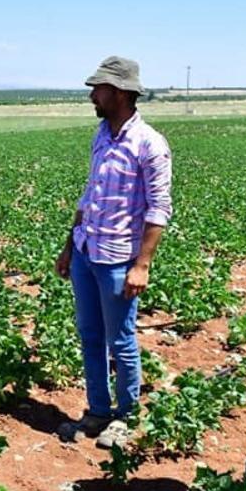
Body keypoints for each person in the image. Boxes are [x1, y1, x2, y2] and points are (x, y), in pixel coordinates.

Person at [55, 56, 172, 447]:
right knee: (90, 334)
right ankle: (97, 410)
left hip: (118, 259)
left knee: (120, 339)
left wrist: (143, 264)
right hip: (88, 253)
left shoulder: (149, 144)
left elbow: (158, 209)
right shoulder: (101, 136)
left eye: (98, 88)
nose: (92, 95)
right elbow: (89, 195)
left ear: (119, 93)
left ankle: (126, 415)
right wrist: (69, 246)